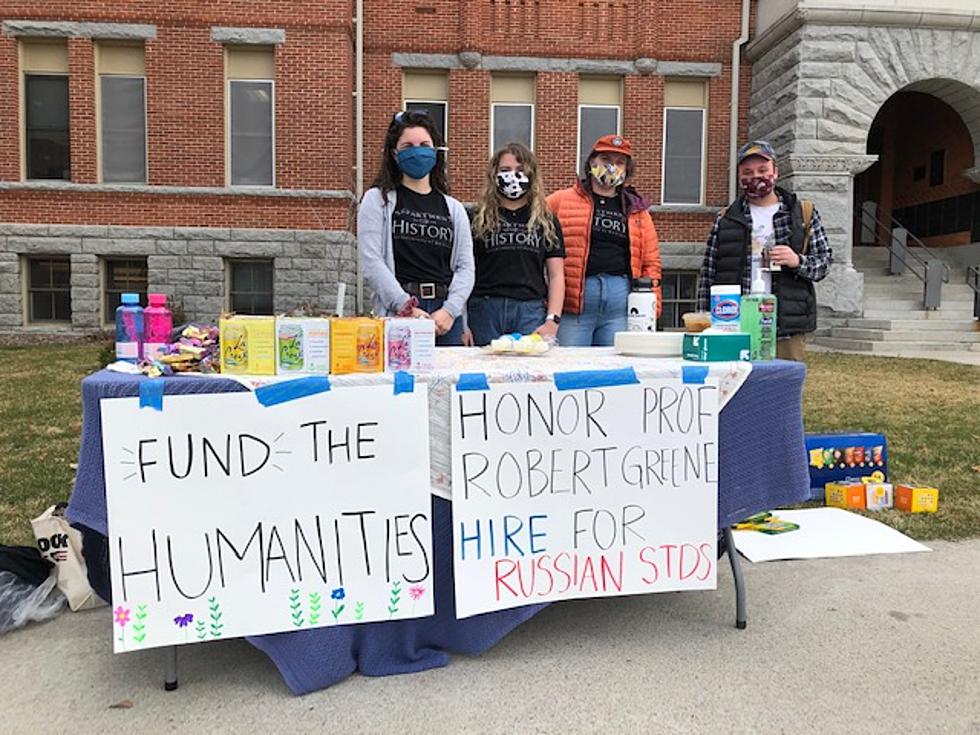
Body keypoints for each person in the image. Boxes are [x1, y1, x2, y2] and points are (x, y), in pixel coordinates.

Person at [696, 140, 832, 361]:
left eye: (762, 170)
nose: (755, 177)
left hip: (785, 323)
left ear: (775, 172)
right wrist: (704, 318)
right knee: (735, 386)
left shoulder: (802, 214)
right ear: (740, 178)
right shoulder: (726, 218)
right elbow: (708, 274)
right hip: (734, 322)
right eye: (747, 172)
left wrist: (797, 261)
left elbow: (824, 263)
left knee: (782, 386)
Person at [357, 110, 474, 345]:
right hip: (400, 312)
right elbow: (371, 260)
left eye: (424, 144)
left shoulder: (454, 208)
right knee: (403, 382)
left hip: (445, 318)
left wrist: (450, 310)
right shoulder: (378, 200)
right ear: (395, 153)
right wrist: (405, 306)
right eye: (408, 145)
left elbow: (466, 266)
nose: (417, 150)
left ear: (435, 151)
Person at [546, 134, 661, 346]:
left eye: (619, 163)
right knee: (571, 368)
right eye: (606, 160)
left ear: (627, 169)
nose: (612, 167)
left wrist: (653, 305)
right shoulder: (560, 200)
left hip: (620, 303)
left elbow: (651, 261)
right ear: (592, 162)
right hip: (575, 305)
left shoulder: (638, 211)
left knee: (615, 370)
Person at [463, 143, 565, 347]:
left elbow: (556, 275)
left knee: (529, 375)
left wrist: (552, 321)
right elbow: (463, 271)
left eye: (520, 171)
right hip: (484, 309)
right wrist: (463, 324)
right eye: (505, 170)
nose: (513, 176)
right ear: (494, 175)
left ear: (532, 175)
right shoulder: (475, 217)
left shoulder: (545, 220)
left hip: (529, 310)